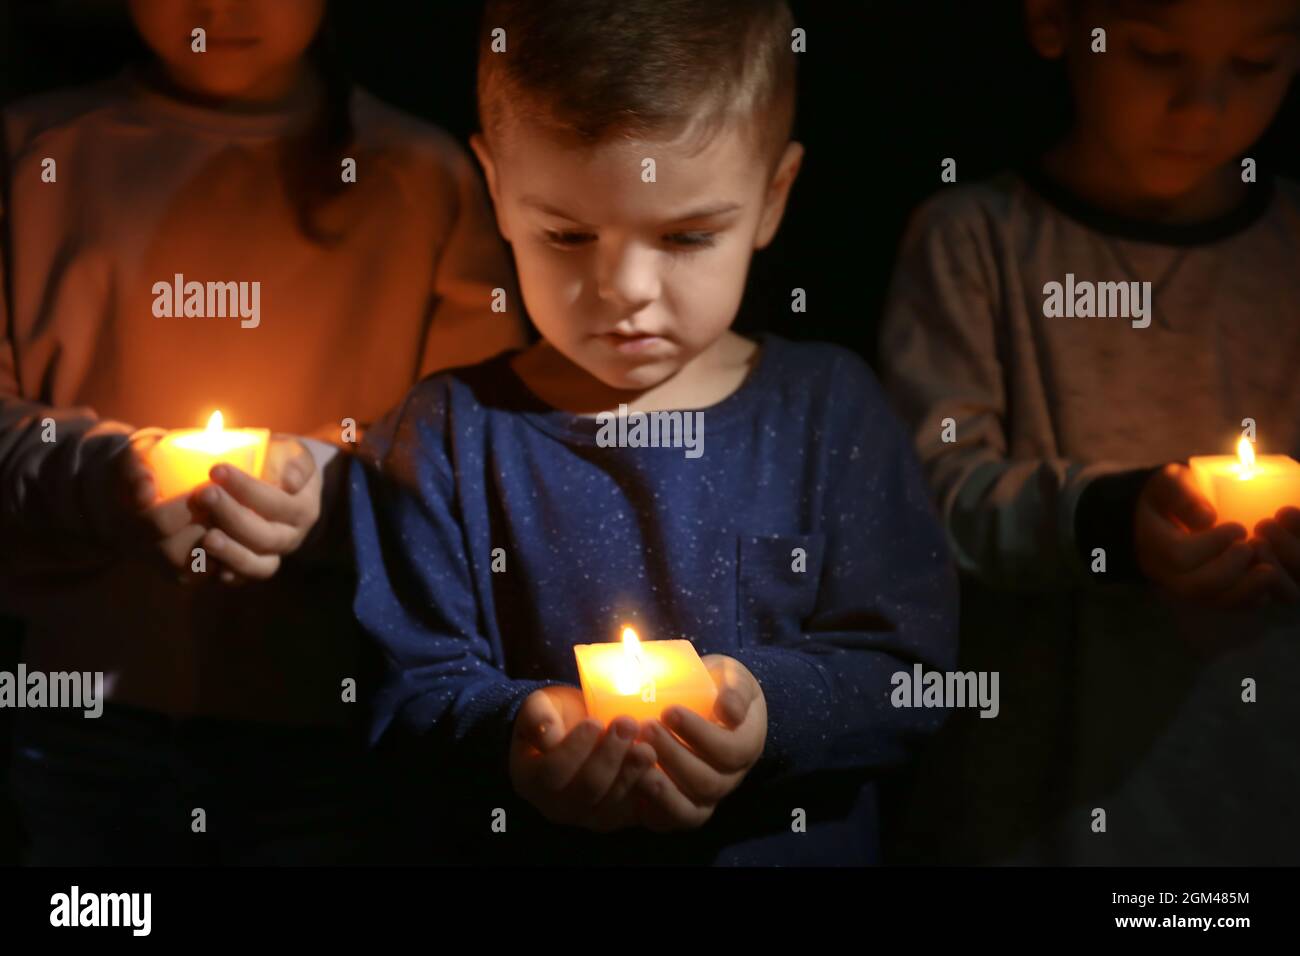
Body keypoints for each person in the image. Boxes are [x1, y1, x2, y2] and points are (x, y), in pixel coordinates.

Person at [349, 0, 959, 866]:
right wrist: (520, 736)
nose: (625, 286)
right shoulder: (445, 434)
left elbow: (913, 675)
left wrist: (764, 712)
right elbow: (400, 693)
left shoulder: (829, 410)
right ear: (496, 189)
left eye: (685, 236)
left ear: (772, 198)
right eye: (566, 234)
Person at [0, 0, 522, 864]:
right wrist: (104, 475)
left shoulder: (424, 179)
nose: (221, 7)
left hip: (334, 723)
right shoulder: (31, 155)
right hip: (76, 705)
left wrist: (326, 484)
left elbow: (480, 445)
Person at [880, 0, 1300, 864]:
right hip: (1036, 804)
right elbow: (929, 499)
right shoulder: (974, 244)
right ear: (1051, 20)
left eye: (1255, 65)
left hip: (1260, 794)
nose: (1203, 108)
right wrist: (1110, 520)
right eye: (1153, 55)